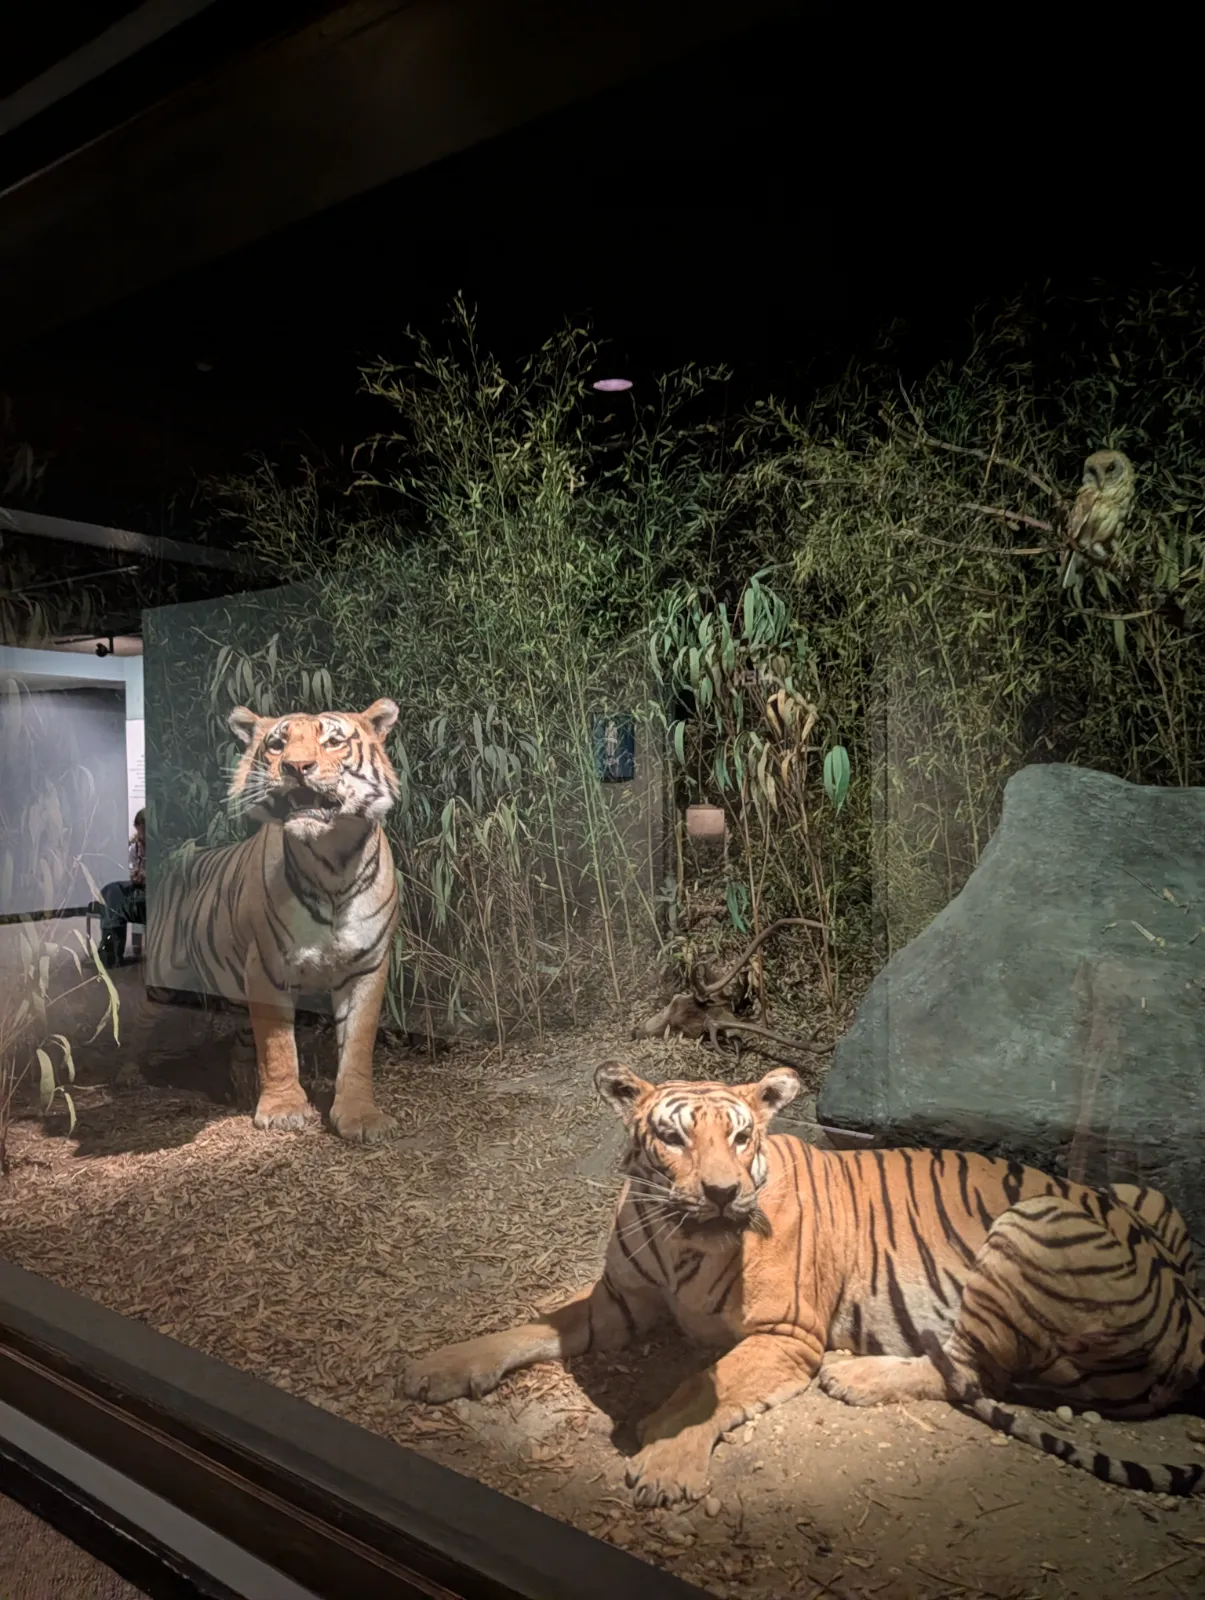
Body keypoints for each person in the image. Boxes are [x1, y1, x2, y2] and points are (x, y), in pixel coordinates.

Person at [97, 809, 146, 967]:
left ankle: (109, 950)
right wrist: (136, 875)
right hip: (140, 887)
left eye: (142, 831)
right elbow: (133, 867)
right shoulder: (135, 847)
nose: (140, 835)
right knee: (111, 890)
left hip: (156, 893)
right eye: (138, 831)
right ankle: (110, 949)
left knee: (116, 901)